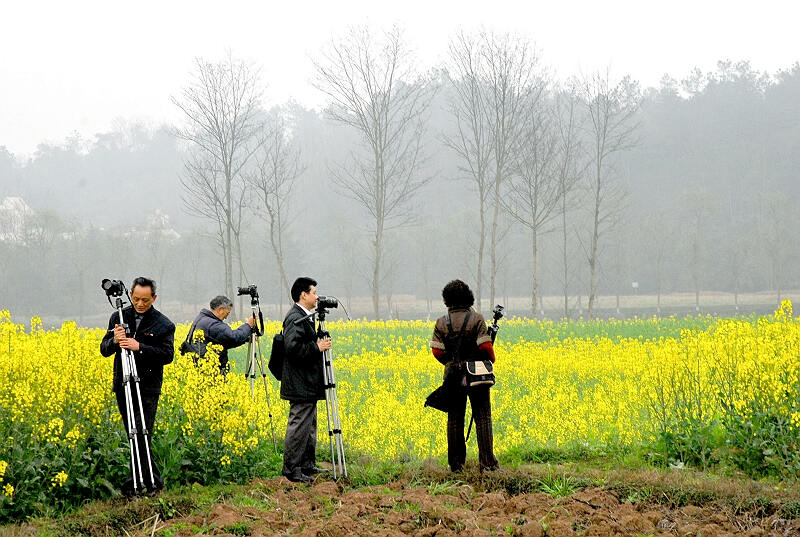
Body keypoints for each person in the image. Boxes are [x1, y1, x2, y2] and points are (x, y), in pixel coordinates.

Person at [100, 276, 175, 496]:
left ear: (154, 298)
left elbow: (167, 355)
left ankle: (146, 483)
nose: (140, 304)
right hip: (123, 383)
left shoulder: (164, 324)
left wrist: (138, 346)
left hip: (148, 386)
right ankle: (146, 482)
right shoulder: (118, 316)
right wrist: (115, 340)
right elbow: (104, 349)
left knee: (143, 433)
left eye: (145, 300)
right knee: (132, 434)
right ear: (130, 295)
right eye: (135, 299)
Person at [429, 279, 499, 472]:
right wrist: (489, 359)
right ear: (468, 297)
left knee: (455, 419)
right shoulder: (476, 319)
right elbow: (486, 346)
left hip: (453, 376)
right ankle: (488, 465)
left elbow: (436, 351)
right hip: (476, 376)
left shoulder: (442, 322)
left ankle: (456, 465)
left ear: (447, 300)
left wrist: (451, 362)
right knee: (483, 417)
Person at [279, 276, 331, 483]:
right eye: (314, 293)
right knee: (299, 425)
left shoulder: (305, 316)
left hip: (307, 382)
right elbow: (292, 349)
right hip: (300, 383)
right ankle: (292, 469)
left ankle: (307, 464)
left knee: (309, 425)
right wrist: (316, 347)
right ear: (304, 294)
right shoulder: (295, 317)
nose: (317, 297)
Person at [187, 295, 255, 373]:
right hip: (210, 373)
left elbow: (225, 342)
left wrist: (245, 339)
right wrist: (248, 325)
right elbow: (233, 337)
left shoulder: (202, 319)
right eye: (227, 313)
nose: (226, 317)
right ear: (220, 309)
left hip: (201, 369)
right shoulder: (213, 325)